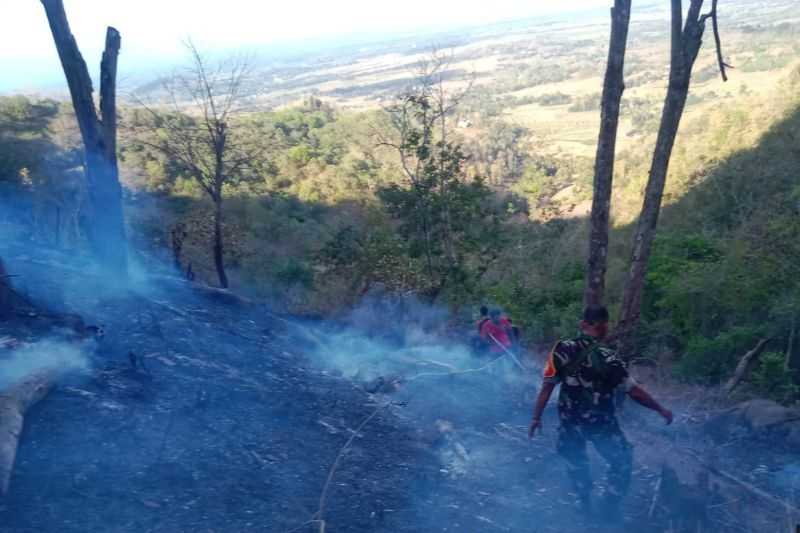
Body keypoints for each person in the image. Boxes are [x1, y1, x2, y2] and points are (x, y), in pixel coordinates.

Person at [528, 305, 673, 521]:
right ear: (604, 327)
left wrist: (536, 417)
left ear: (582, 324)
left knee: (577, 463)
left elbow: (547, 387)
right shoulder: (609, 358)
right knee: (622, 459)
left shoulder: (560, 349)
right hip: (601, 424)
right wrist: (660, 409)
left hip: (570, 423)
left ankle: (585, 505)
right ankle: (609, 506)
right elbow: (634, 392)